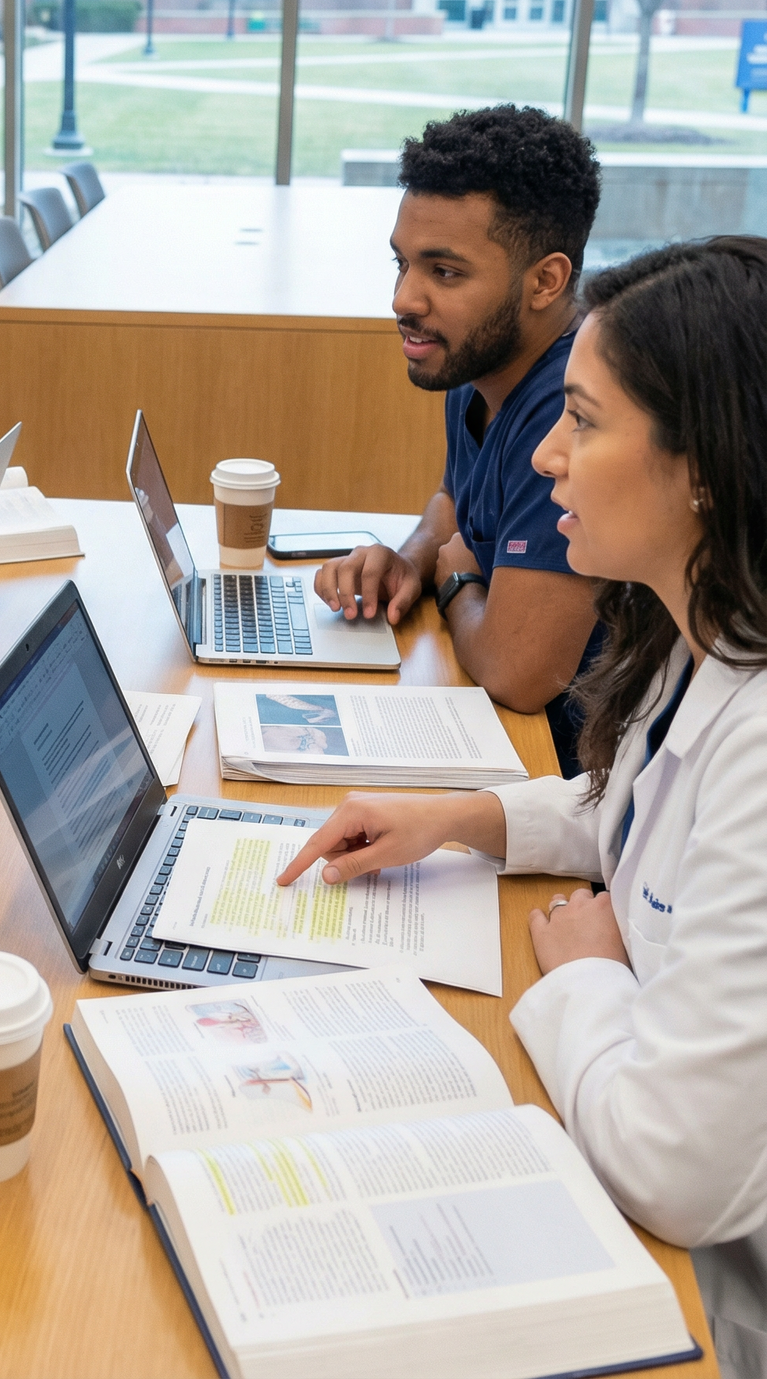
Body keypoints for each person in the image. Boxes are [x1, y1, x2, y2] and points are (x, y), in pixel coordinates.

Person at [280, 237, 767, 1376]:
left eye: (583, 423)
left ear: (705, 466)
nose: (546, 453)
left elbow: (675, 1172)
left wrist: (587, 975)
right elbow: (636, 813)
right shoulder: (700, 632)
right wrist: (463, 820)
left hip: (714, 1296)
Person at [313, 106, 603, 773]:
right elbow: (456, 500)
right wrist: (409, 560)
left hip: (569, 777)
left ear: (546, 281)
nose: (404, 299)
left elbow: (518, 672)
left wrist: (457, 583)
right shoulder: (479, 363)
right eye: (402, 263)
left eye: (444, 272)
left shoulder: (573, 408)